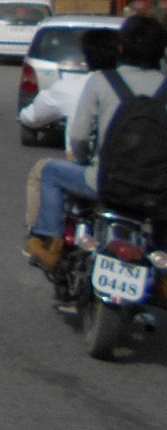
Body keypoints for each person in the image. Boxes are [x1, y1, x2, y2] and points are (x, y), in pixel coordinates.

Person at [25, 15, 167, 270]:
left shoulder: (102, 81)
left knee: (49, 172)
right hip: (157, 193)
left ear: (121, 48)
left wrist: (81, 161)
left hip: (104, 183)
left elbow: (79, 137)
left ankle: (50, 242)